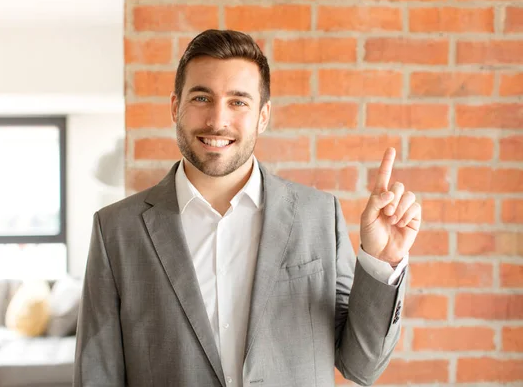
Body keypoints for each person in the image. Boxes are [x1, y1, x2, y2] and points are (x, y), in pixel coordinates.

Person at [74, 29, 420, 387]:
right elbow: (97, 374)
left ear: (263, 115)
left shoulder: (318, 215)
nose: (217, 120)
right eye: (201, 98)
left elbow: (361, 367)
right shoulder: (116, 229)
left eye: (238, 101)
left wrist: (382, 263)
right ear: (176, 106)